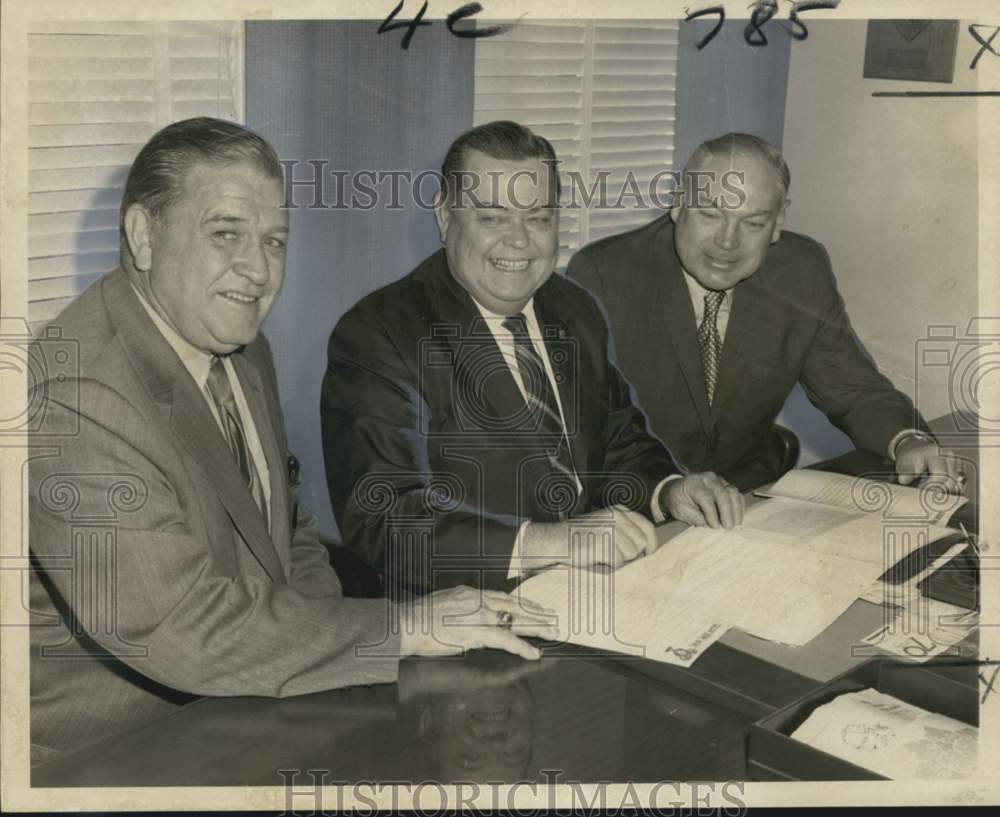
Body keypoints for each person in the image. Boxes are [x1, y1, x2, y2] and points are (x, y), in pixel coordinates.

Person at [27, 117, 554, 764]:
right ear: (143, 234)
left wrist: (319, 659)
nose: (256, 270)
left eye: (275, 241)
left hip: (245, 700)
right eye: (226, 234)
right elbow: (176, 629)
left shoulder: (239, 346)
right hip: (110, 749)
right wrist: (400, 628)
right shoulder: (73, 392)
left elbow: (287, 524)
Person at [321, 120, 743, 597]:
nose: (519, 240)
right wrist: (549, 542)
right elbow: (384, 518)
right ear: (444, 217)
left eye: (538, 217)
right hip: (460, 610)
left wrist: (667, 491)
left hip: (598, 590)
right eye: (492, 218)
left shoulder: (573, 307)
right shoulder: (380, 333)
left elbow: (616, 439)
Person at [568, 133, 962, 492]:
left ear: (778, 222)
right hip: (644, 498)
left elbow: (853, 388)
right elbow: (582, 434)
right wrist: (664, 490)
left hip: (746, 491)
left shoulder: (800, 269)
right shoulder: (605, 275)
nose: (727, 242)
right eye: (710, 215)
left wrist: (909, 440)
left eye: (753, 222)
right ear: (678, 204)